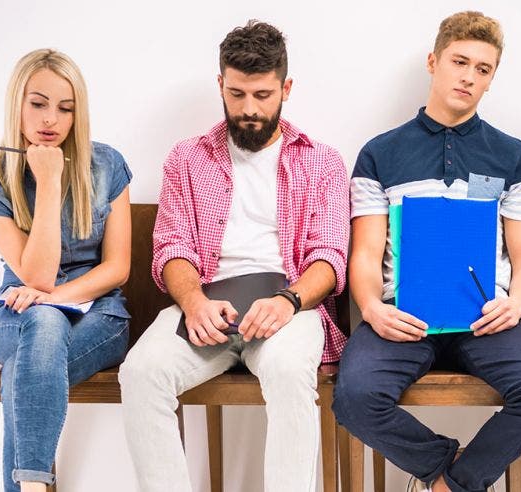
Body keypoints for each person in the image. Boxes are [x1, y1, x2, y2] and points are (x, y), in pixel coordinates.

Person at [332, 11, 521, 492]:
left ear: (492, 79)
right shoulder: (381, 152)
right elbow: (366, 252)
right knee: (354, 396)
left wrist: (517, 305)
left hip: (487, 315)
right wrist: (373, 309)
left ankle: (447, 485)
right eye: (460, 62)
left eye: (483, 69)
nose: (469, 76)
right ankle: (450, 471)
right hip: (403, 314)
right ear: (433, 61)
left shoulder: (513, 155)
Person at [118, 20, 349, 491]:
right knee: (140, 374)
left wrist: (287, 300)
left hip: (287, 304)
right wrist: (193, 301)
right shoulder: (187, 158)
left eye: (262, 95)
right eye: (237, 93)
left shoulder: (321, 161)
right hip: (205, 306)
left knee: (287, 373)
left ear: (286, 88)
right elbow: (172, 247)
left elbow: (329, 255)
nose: (248, 109)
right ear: (220, 84)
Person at [0, 49, 133, 492]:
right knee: (39, 324)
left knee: (19, 371)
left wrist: (55, 297)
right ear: (16, 105)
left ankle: (28, 487)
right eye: (38, 103)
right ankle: (36, 485)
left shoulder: (107, 165)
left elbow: (117, 268)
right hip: (15, 313)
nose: (51, 120)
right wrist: (47, 181)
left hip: (98, 316)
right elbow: (36, 277)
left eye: (66, 108)